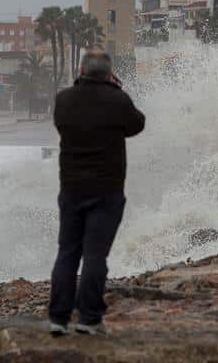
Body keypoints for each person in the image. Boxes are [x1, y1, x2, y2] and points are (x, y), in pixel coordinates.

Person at [48, 49, 145, 336]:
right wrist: (116, 88)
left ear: (81, 71)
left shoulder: (63, 100)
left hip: (71, 188)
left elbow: (60, 124)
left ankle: (58, 318)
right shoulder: (117, 99)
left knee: (67, 252)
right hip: (107, 191)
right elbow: (136, 125)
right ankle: (89, 319)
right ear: (108, 73)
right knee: (94, 255)